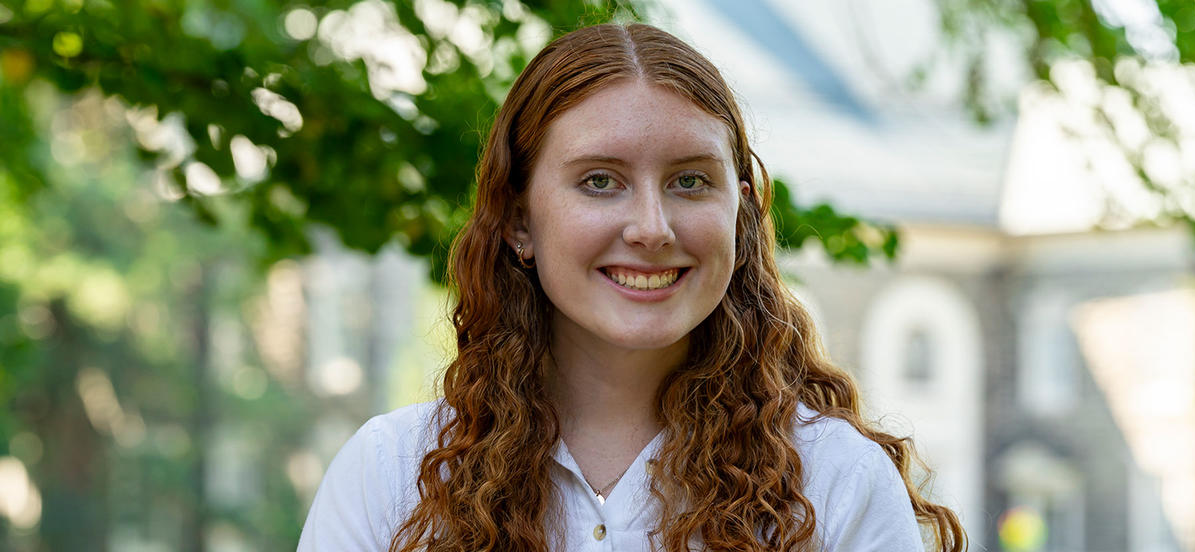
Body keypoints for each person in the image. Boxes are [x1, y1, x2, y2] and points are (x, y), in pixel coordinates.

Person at [298, 22, 967, 552]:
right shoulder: (390, 478)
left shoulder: (836, 483)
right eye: (600, 181)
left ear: (738, 213)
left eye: (688, 181)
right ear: (517, 220)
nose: (652, 227)